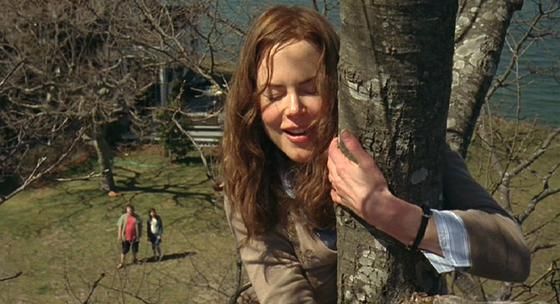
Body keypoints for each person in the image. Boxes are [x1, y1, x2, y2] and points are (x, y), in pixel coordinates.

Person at [221, 5, 530, 304]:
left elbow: (514, 256)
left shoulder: (407, 150)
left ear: (337, 87)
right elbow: (283, 294)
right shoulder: (249, 183)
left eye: (311, 89)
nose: (293, 109)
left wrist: (394, 215)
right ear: (253, 105)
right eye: (274, 95)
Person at [117, 204, 142, 269]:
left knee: (135, 249)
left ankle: (135, 259)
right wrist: (120, 235)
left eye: (131, 211)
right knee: (125, 250)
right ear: (126, 211)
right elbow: (120, 226)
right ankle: (121, 263)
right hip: (126, 237)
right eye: (128, 211)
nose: (129, 212)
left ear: (133, 210)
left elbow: (140, 226)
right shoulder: (123, 217)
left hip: (134, 237)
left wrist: (139, 235)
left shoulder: (137, 217)